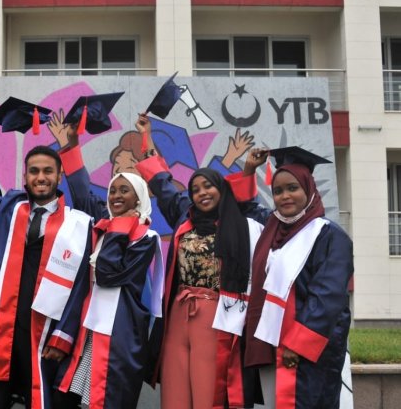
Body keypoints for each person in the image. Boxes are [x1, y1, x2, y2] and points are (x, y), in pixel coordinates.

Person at [0, 117, 94, 409]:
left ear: (59, 174)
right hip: (1, 327)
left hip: (45, 333)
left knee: (42, 399)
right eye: (34, 171)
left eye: (48, 171)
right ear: (25, 176)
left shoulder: (77, 223)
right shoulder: (7, 208)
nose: (41, 177)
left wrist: (63, 333)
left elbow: (80, 285)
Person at [134, 114, 264, 408]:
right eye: (195, 189)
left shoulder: (239, 222)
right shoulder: (185, 216)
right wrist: (146, 137)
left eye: (208, 186)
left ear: (221, 189)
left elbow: (248, 204)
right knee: (175, 390)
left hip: (216, 315)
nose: (202, 193)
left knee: (210, 392)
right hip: (178, 314)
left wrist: (249, 169)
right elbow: (163, 183)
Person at [52, 137, 161, 408]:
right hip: (86, 328)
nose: (116, 196)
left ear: (139, 198)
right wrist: (70, 148)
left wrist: (119, 228)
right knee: (69, 396)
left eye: (125, 191)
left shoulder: (146, 238)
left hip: (119, 335)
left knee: (109, 399)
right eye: (113, 191)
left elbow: (108, 274)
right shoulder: (106, 224)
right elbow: (82, 193)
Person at [243, 148, 354, 408]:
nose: (285, 196)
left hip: (307, 348)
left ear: (309, 189)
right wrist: (249, 169)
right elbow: (244, 207)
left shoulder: (329, 235)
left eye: (292, 187)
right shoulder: (273, 229)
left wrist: (297, 344)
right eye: (278, 191)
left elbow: (327, 296)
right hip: (271, 342)